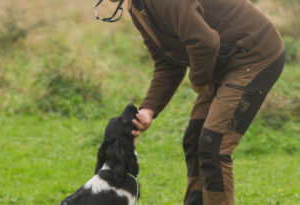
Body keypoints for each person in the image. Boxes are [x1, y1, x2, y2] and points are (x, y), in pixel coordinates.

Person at [95, 0, 286, 204]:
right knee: (195, 138)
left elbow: (204, 42)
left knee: (214, 144)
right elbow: (167, 62)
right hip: (221, 59)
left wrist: (199, 81)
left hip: (254, 56)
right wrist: (148, 109)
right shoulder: (137, 7)